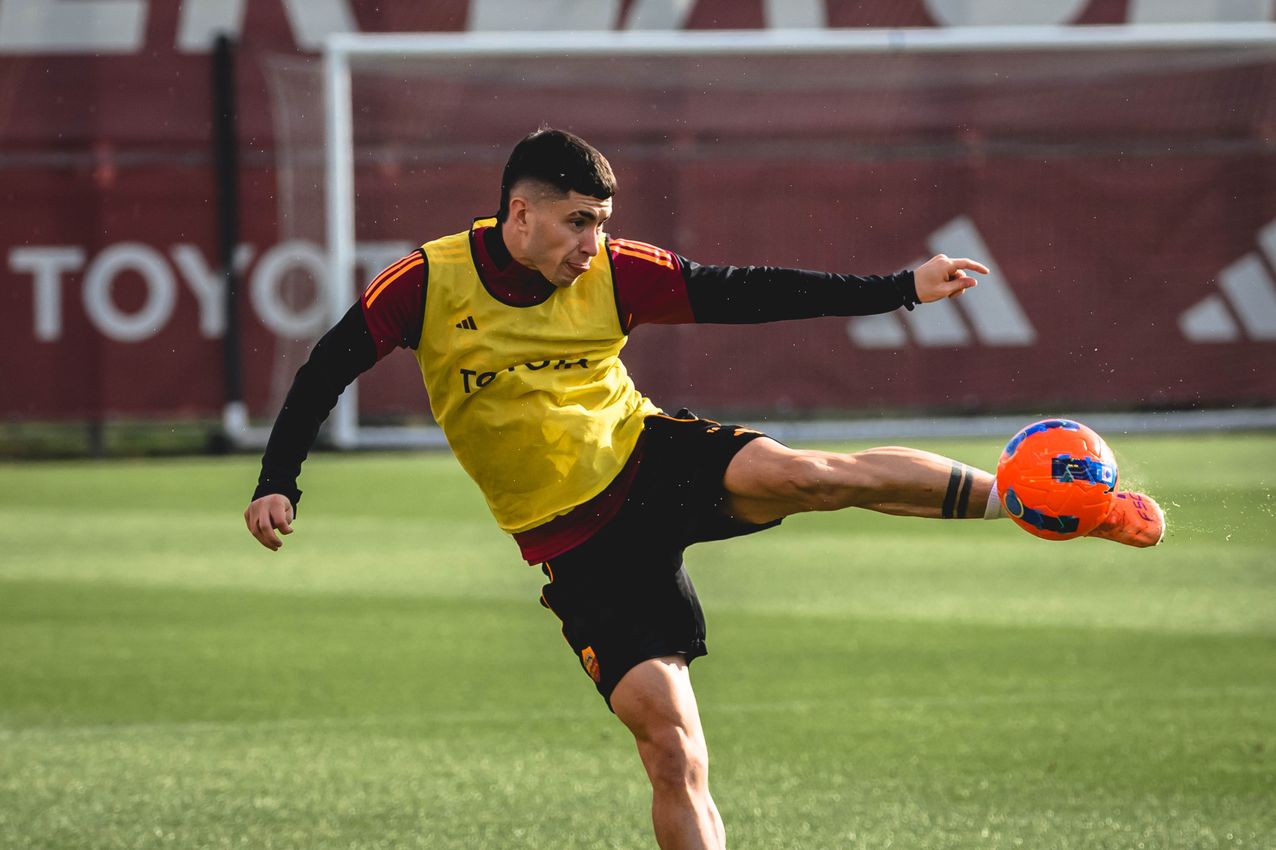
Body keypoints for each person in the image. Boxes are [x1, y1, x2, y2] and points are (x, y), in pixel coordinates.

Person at [245, 128, 1164, 849]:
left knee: (810, 475)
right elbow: (325, 366)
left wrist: (901, 289)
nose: (592, 242)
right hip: (576, 544)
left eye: (601, 222)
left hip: (649, 455)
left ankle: (1040, 501)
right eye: (577, 222)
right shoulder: (428, 283)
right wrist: (278, 480)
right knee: (673, 750)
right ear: (518, 216)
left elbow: (748, 290)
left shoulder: (613, 270)